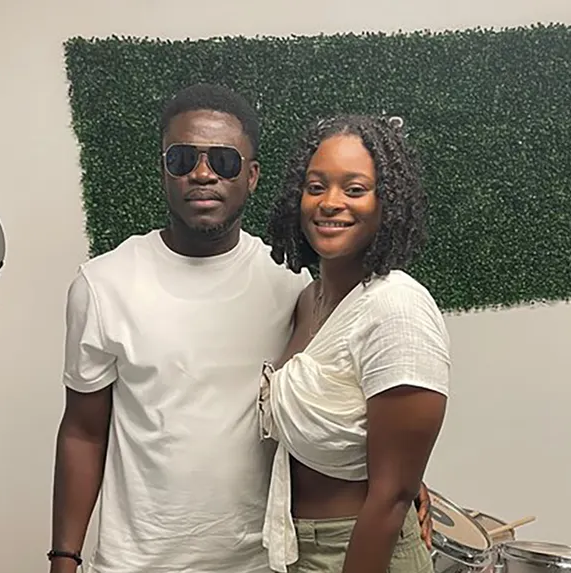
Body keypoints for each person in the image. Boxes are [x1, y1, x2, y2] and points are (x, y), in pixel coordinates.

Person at [48, 84, 434, 573]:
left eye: (224, 162)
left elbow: (339, 401)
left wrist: (397, 479)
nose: (203, 174)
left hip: (265, 559)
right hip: (137, 561)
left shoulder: (292, 286)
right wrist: (64, 556)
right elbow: (83, 432)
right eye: (183, 157)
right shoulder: (102, 285)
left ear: (251, 177)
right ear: (163, 169)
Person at [259, 114, 450, 573]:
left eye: (355, 189)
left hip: (366, 552)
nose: (330, 203)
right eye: (316, 186)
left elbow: (392, 495)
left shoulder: (397, 309)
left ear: (388, 203)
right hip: (298, 548)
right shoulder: (309, 300)